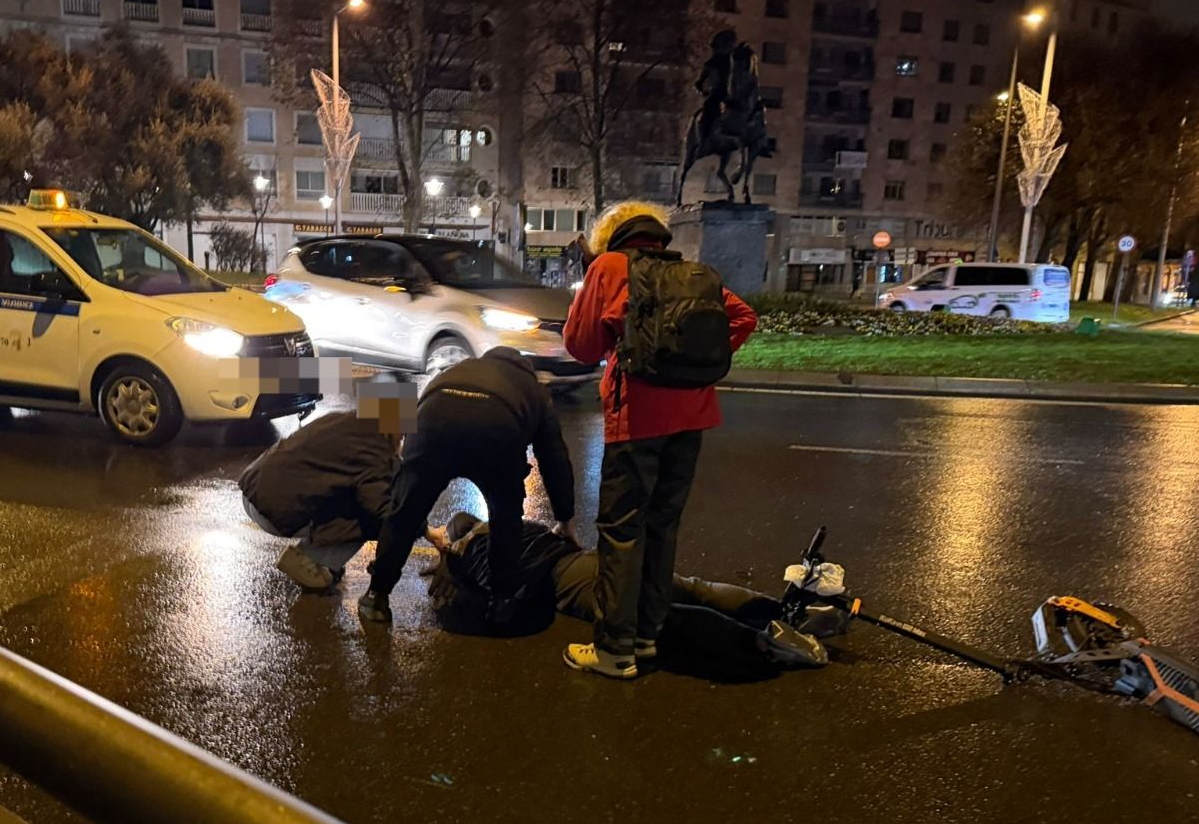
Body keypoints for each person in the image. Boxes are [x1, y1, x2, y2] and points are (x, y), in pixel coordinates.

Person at [562, 201, 758, 679]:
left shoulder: (609, 267)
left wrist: (635, 354)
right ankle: (648, 635)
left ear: (610, 237)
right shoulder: (692, 272)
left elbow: (580, 345)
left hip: (637, 420)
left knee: (622, 531)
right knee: (662, 526)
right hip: (692, 417)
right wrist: (687, 363)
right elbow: (744, 317)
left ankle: (614, 649)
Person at [425, 513, 839, 672]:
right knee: (693, 588)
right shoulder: (518, 526)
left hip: (574, 583)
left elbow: (511, 595)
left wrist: (455, 566)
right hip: (598, 559)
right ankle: (788, 613)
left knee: (663, 617)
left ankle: (763, 643)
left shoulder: (479, 551)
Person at [358, 347, 575, 625]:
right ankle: (502, 602)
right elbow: (555, 459)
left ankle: (378, 595)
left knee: (406, 511)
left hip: (433, 420)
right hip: (498, 430)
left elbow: (419, 415)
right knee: (505, 517)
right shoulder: (533, 389)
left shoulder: (459, 370)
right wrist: (564, 519)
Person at [239, 380, 412, 591]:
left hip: (255, 489)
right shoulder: (373, 445)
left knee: (356, 499)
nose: (406, 433)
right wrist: (422, 528)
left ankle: (322, 557)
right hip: (272, 507)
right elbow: (380, 507)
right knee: (371, 519)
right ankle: (311, 561)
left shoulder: (349, 422)